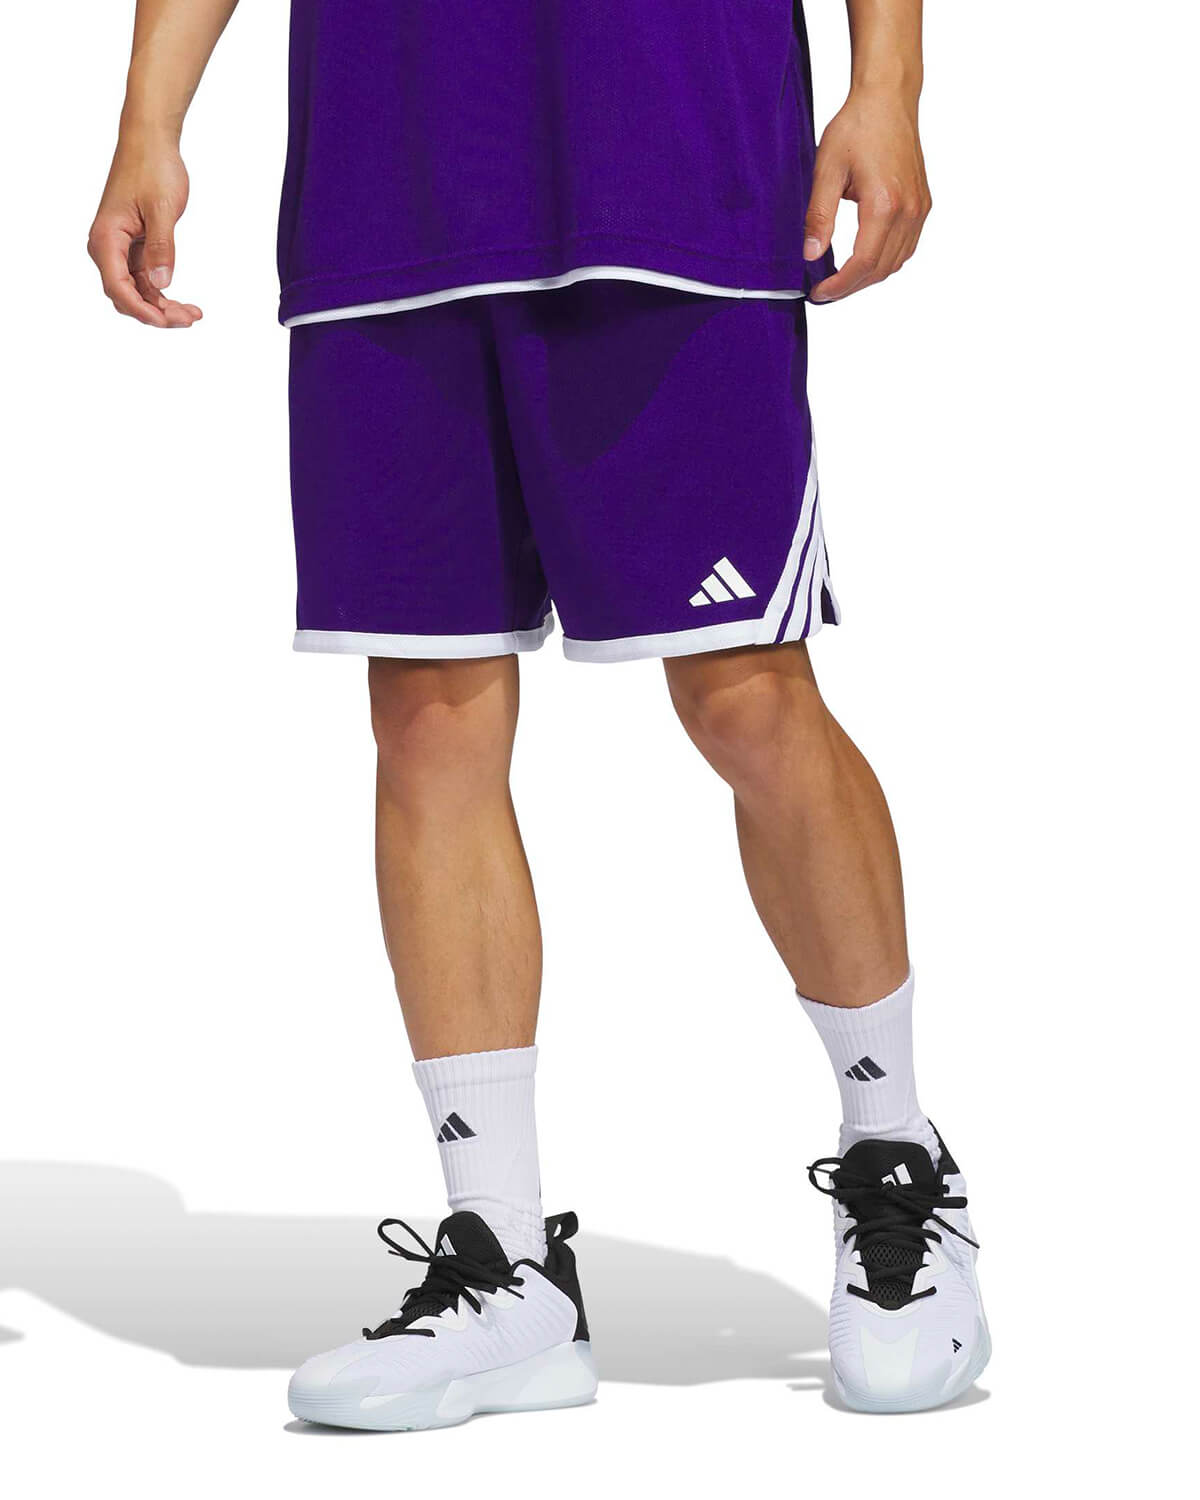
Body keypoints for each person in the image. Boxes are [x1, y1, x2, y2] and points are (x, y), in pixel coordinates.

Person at [89, 0, 988, 1426]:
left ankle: (896, 1156)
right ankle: (505, 1266)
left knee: (746, 694)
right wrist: (152, 115)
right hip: (387, 181)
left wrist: (889, 84)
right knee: (427, 716)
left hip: (672, 158)